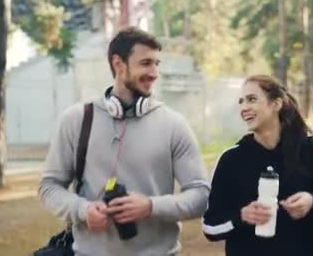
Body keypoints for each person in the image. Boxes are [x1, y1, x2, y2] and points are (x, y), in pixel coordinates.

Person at [39, 27, 210, 256]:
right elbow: (49, 186)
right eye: (146, 63)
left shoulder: (174, 125)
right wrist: (83, 210)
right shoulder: (75, 120)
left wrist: (151, 206)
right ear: (118, 64)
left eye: (157, 63)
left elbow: (200, 195)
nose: (154, 72)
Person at [202, 74, 313, 256]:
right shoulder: (230, 160)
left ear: (276, 104)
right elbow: (210, 227)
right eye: (241, 102)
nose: (244, 108)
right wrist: (241, 217)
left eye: (252, 99)